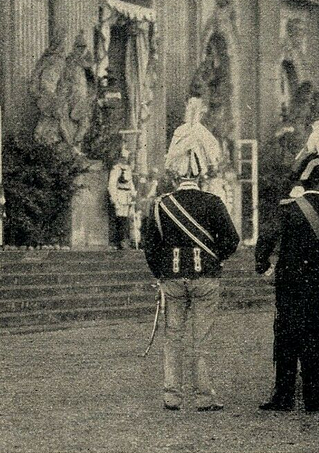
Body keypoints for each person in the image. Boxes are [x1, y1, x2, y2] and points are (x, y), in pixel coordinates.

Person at [141, 101, 239, 411]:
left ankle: (171, 395)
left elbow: (150, 245)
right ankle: (204, 397)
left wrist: (159, 272)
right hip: (206, 276)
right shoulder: (212, 202)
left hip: (171, 278)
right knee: (202, 339)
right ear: (199, 171)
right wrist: (216, 258)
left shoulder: (161, 204)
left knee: (173, 338)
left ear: (176, 171)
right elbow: (232, 239)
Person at [256, 123, 319, 413]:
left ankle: (283, 397)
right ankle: (313, 398)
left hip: (291, 287)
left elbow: (266, 239)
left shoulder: (288, 209)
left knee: (286, 342)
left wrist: (262, 264)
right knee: (318, 343)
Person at [108, 148, 137, 250]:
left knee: (125, 219)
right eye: (123, 158)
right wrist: (114, 198)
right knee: (119, 219)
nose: (124, 160)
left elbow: (130, 182)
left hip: (127, 196)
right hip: (119, 195)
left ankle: (124, 240)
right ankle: (119, 241)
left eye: (126, 158)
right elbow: (112, 184)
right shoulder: (116, 169)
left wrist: (133, 192)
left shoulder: (128, 169)